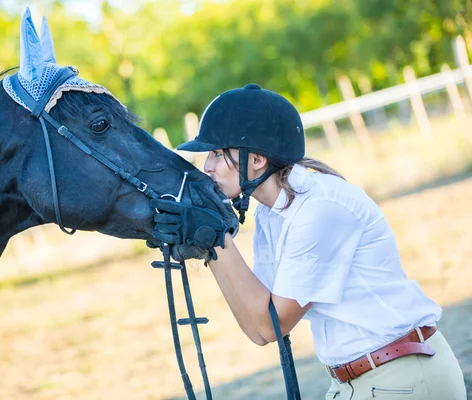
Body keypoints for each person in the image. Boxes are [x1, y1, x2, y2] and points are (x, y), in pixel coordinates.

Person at [150, 84, 467, 399]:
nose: (207, 165)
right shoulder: (270, 215)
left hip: (402, 375)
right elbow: (259, 328)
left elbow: (273, 324)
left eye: (218, 153)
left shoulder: (318, 209)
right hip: (356, 381)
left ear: (257, 159)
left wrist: (218, 240)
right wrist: (210, 246)